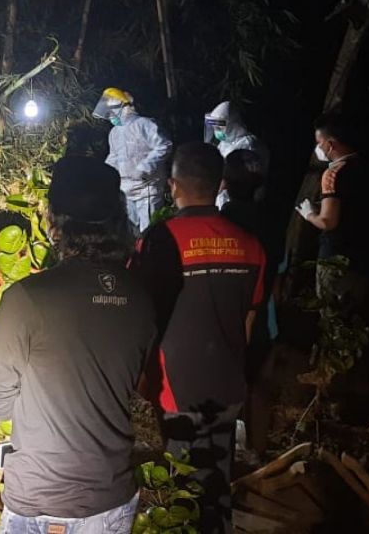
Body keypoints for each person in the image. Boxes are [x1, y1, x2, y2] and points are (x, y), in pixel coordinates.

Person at [0, 156, 151, 534]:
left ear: (54, 220)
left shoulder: (28, 297)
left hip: (40, 500)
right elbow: (139, 382)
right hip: (111, 498)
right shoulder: (140, 297)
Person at [133, 142, 266, 533]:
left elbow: (143, 315)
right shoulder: (251, 245)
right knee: (217, 475)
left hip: (175, 385)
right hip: (228, 383)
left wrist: (142, 374)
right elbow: (249, 321)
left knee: (183, 486)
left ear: (173, 185)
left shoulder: (158, 240)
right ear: (220, 184)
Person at [295, 112, 369, 317]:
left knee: (333, 318)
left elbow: (328, 221)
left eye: (319, 143)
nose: (318, 148)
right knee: (355, 318)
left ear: (331, 144)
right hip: (365, 258)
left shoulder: (333, 173)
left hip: (336, 258)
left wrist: (309, 214)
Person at [221, 149, 279, 456]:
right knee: (259, 384)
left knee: (227, 384)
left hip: (229, 315)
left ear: (224, 183)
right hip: (264, 312)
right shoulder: (271, 220)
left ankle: (228, 450)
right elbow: (279, 268)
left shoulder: (223, 221)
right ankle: (258, 450)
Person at [95, 87, 173, 232]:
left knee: (149, 231)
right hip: (126, 191)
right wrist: (105, 174)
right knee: (132, 233)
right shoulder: (115, 133)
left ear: (122, 108)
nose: (110, 117)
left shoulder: (144, 124)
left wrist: (145, 167)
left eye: (111, 112)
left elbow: (163, 145)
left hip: (147, 189)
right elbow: (114, 157)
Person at [204, 101, 269, 208]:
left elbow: (239, 180)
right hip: (224, 204)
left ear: (232, 124)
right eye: (214, 127)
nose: (216, 131)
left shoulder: (248, 145)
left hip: (242, 205)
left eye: (219, 128)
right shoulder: (225, 143)